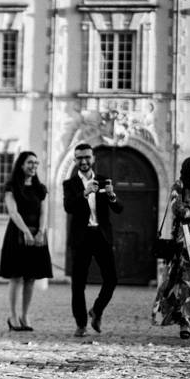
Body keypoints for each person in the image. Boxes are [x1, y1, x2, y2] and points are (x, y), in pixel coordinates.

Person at [63, 142, 123, 337]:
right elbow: (69, 207)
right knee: (78, 283)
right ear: (75, 160)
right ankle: (81, 324)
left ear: (93, 159)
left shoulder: (104, 180)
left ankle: (97, 310)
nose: (84, 161)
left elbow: (119, 208)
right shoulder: (69, 184)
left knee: (111, 279)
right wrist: (84, 193)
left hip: (101, 235)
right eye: (79, 157)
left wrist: (112, 196)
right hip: (81, 237)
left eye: (87, 157)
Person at [0, 151, 52, 331]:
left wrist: (40, 232)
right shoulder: (11, 186)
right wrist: (26, 231)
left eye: (36, 163)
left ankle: (25, 315)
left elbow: (44, 212)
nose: (34, 166)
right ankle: (12, 316)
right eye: (30, 162)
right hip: (17, 234)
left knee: (31, 278)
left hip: (37, 235)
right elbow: (13, 212)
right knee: (16, 276)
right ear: (21, 165)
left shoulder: (41, 188)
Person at [153, 156, 190, 339]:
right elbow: (178, 209)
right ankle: (183, 322)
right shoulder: (179, 185)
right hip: (185, 240)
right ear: (186, 169)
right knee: (185, 281)